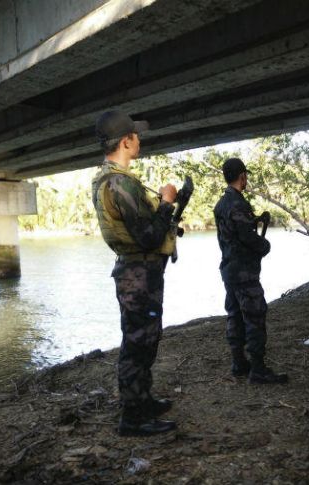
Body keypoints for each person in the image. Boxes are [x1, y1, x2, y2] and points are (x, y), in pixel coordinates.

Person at [91, 110, 178, 436]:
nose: (140, 139)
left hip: (139, 272)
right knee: (137, 343)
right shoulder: (120, 182)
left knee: (145, 339)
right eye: (136, 135)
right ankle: (133, 418)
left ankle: (143, 400)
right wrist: (167, 202)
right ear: (126, 141)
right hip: (138, 274)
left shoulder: (109, 179)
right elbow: (149, 237)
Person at [213, 157, 288, 385]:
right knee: (254, 316)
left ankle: (239, 363)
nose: (246, 179)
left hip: (229, 270)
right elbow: (246, 236)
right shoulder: (238, 204)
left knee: (235, 314)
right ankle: (257, 369)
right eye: (245, 175)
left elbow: (235, 233)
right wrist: (264, 246)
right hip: (244, 272)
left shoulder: (221, 204)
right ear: (242, 176)